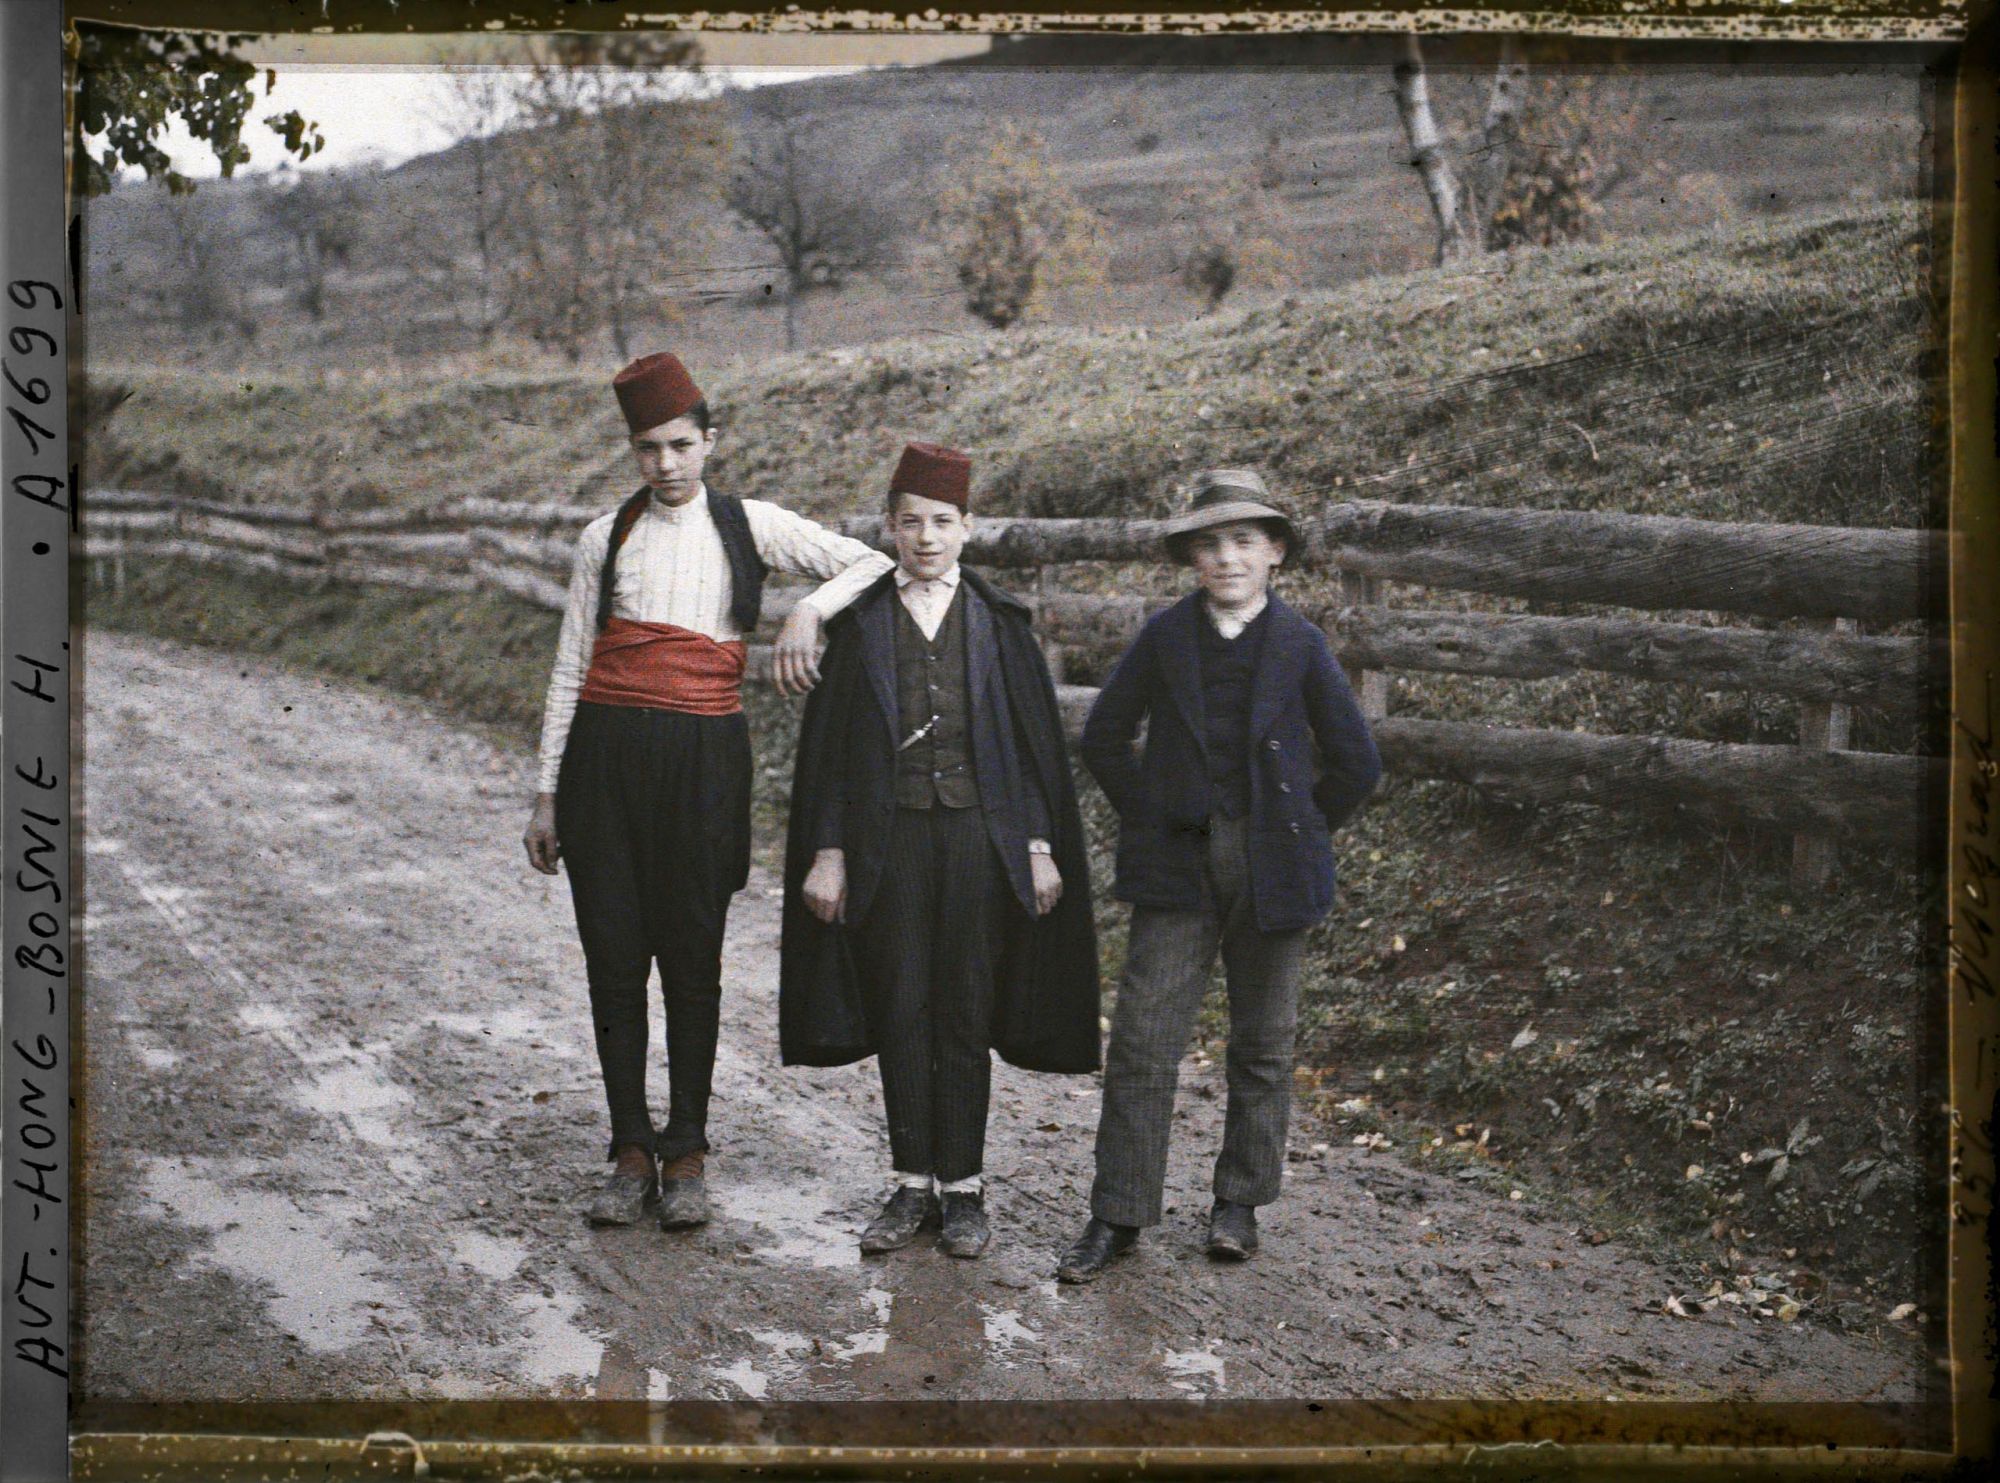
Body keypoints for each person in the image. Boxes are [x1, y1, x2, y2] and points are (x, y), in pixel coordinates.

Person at [523, 351, 894, 1232]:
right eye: (648, 448)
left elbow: (872, 562)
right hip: (605, 765)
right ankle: (629, 1150)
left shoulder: (748, 524)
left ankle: (686, 1149)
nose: (666, 463)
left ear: (710, 441)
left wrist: (808, 609)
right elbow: (572, 663)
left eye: (681, 445)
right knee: (615, 962)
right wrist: (546, 793)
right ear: (633, 451)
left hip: (703, 766)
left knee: (693, 961)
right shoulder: (605, 536)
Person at [1056, 468, 1381, 1282]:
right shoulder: (1166, 638)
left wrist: (1299, 830)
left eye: (1243, 540)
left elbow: (1357, 761)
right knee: (1143, 1041)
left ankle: (1239, 1202)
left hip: (1275, 869)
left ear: (1275, 552)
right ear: (1191, 559)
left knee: (1263, 1042)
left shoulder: (1301, 644)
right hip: (1177, 866)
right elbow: (1103, 737)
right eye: (1209, 544)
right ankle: (1118, 1212)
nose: (1227, 557)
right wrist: (1152, 811)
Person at [779, 440, 1100, 1258]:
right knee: (901, 1000)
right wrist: (829, 849)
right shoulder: (860, 625)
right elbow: (833, 753)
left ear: (968, 527)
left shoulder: (999, 625)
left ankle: (964, 1188)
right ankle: (910, 1182)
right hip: (886, 840)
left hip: (978, 839)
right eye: (911, 522)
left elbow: (1030, 750)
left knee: (965, 1001)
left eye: (943, 522)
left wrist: (1036, 844)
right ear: (888, 528)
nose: (926, 538)